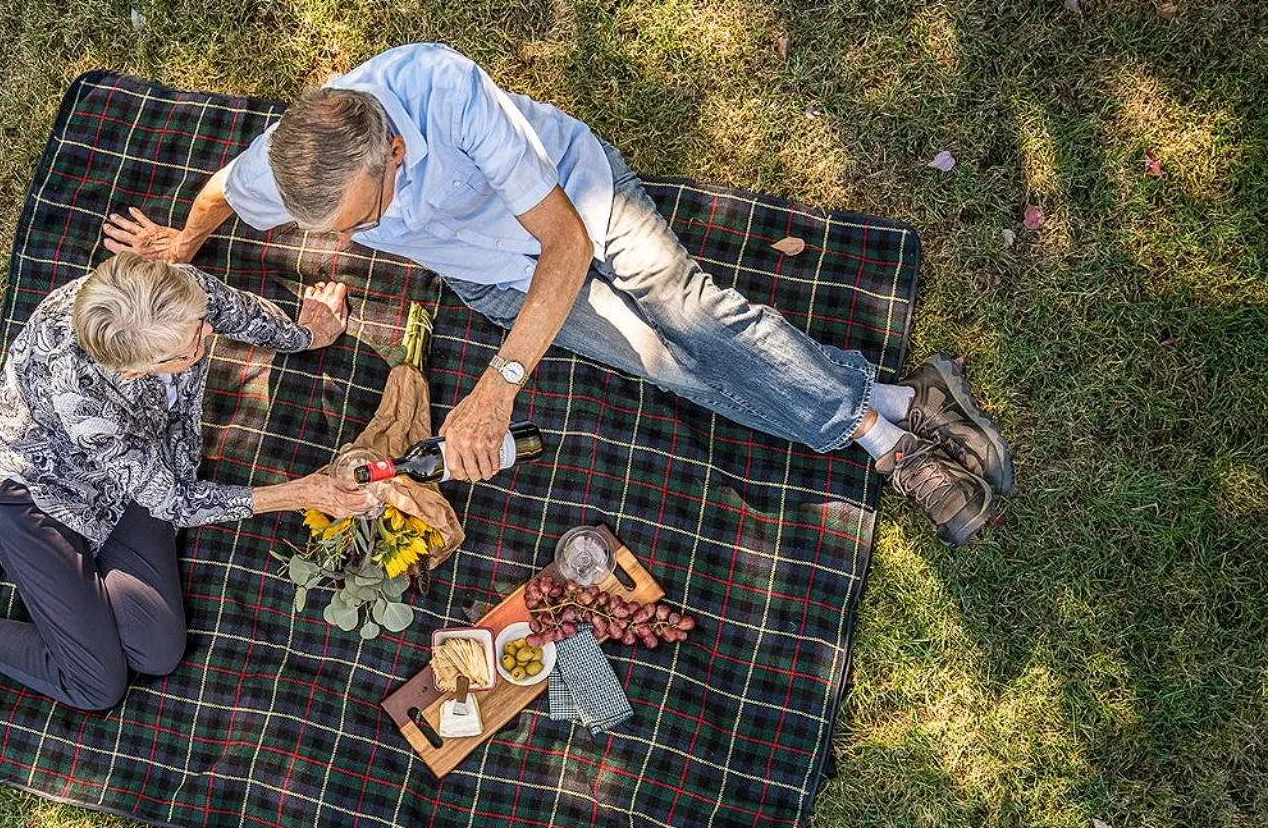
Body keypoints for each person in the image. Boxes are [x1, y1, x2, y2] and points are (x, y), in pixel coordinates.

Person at [101, 43, 1014, 547]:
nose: (338, 243)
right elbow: (227, 185)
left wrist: (498, 387)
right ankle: (903, 399)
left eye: (356, 219)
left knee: (690, 311)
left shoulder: (441, 94)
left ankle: (884, 440)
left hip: (581, 203)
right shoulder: (297, 166)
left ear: (396, 155)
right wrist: (186, 240)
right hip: (499, 280)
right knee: (675, 367)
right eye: (323, 230)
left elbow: (566, 246)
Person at [0, 254, 376, 710]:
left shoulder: (164, 294)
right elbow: (174, 501)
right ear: (138, 371)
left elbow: (230, 312)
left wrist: (308, 332)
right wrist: (304, 492)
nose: (208, 334)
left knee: (157, 651)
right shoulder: (86, 401)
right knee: (95, 684)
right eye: (192, 346)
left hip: (134, 478)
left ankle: (0, 542)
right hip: (39, 490)